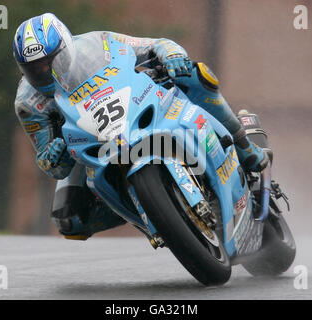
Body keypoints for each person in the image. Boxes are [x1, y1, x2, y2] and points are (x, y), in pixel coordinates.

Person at [13, 13, 269, 239]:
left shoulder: (97, 43)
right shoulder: (28, 102)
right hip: (86, 142)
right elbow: (50, 163)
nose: (45, 71)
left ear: (66, 48)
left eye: (50, 62)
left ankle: (245, 148)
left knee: (194, 73)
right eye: (35, 69)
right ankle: (152, 212)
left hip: (132, 103)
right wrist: (54, 157)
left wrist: (171, 55)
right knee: (69, 220)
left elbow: (154, 45)